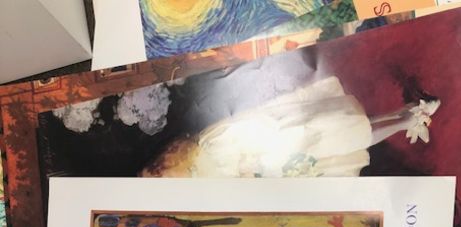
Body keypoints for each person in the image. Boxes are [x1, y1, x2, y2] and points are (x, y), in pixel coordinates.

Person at [141, 76, 440, 179]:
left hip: (287, 137)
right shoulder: (204, 178)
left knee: (345, 128)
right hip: (288, 162)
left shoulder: (207, 146)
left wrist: (253, 163)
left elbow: (247, 129)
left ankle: (407, 117)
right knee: (348, 137)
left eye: (162, 174)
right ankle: (407, 115)